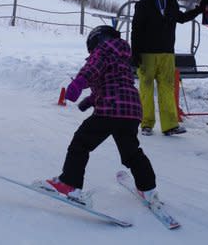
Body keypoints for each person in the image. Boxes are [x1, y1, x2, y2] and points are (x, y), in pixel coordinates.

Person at [40, 25, 160, 208]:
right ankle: (148, 188)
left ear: (96, 40)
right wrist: (89, 100)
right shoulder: (122, 57)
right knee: (131, 152)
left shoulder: (104, 49)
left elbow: (92, 69)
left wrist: (78, 83)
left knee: (81, 143)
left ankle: (69, 183)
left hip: (110, 109)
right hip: (131, 111)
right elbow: (112, 83)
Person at [131, 0, 208, 136]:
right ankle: (146, 124)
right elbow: (136, 30)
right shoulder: (143, 6)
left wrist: (199, 10)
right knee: (146, 89)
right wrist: (135, 53)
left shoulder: (171, 3)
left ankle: (170, 125)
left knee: (167, 88)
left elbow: (181, 18)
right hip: (147, 55)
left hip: (167, 54)